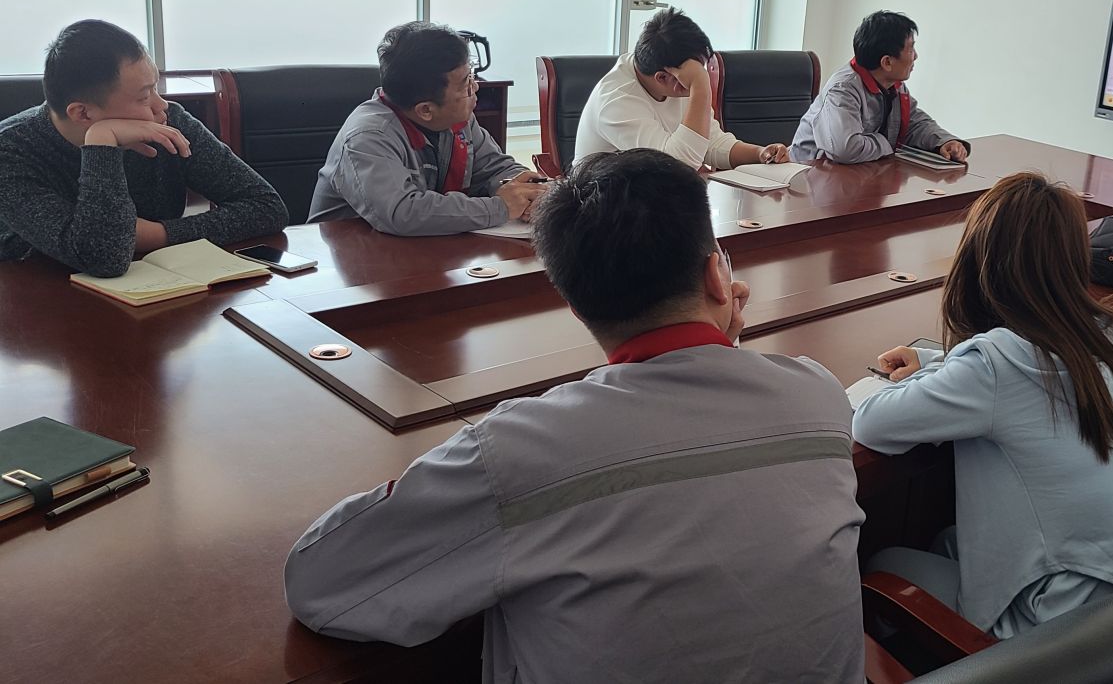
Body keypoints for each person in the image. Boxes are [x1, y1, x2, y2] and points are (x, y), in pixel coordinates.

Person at [285, 148, 865, 683]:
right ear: (718, 275)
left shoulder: (519, 453)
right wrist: (721, 347)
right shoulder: (816, 394)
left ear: (574, 303)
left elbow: (320, 583)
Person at [852, 173, 1113, 640]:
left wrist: (943, 372)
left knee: (887, 563)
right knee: (948, 541)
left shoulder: (995, 366)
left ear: (979, 263)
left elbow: (871, 424)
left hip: (1070, 636)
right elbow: (1032, 377)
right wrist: (942, 364)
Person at [0, 19, 287, 277]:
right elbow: (104, 258)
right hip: (41, 300)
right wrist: (102, 142)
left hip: (157, 292)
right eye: (143, 96)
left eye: (155, 87)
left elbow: (267, 207)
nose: (161, 106)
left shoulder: (167, 121)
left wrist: (159, 234)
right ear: (83, 113)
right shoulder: (10, 152)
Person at [308, 21, 542, 235]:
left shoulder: (458, 120)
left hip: (423, 251)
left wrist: (532, 192)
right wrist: (500, 207)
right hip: (351, 259)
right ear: (426, 110)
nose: (476, 88)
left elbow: (495, 168)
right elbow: (404, 213)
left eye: (471, 77)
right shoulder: (367, 137)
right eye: (466, 85)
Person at [572, 8, 790, 170]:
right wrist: (701, 85)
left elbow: (710, 143)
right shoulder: (616, 100)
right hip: (600, 203)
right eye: (697, 72)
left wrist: (759, 153)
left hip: (646, 193)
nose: (701, 75)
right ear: (662, 77)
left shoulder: (674, 77)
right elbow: (677, 167)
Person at [790, 10, 969, 164]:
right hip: (809, 175)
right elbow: (845, 149)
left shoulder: (894, 86)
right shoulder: (843, 90)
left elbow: (913, 123)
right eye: (910, 49)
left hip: (856, 174)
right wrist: (889, 143)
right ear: (887, 62)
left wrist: (944, 142)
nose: (916, 56)